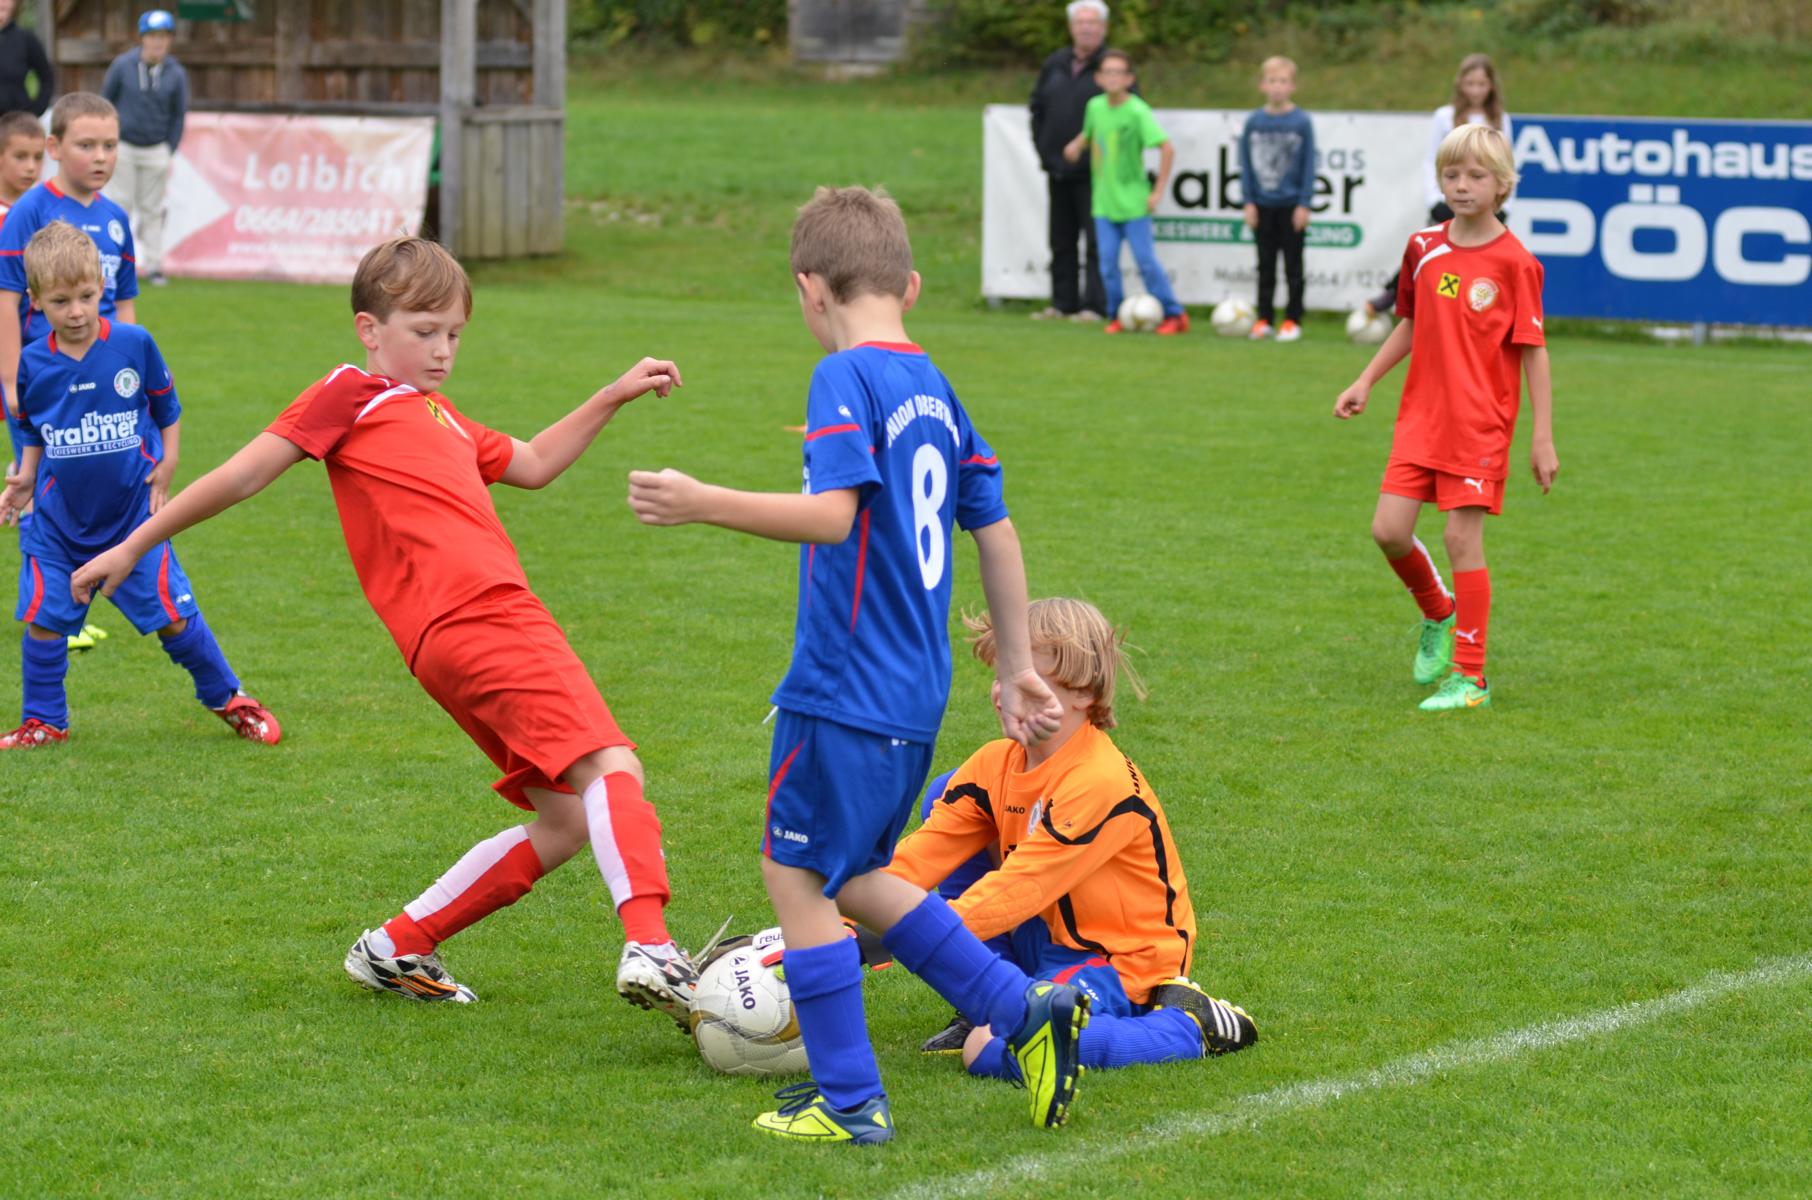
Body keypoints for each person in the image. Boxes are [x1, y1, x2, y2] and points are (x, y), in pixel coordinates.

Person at [70, 236, 699, 1018]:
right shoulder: (351, 393)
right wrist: (133, 545)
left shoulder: (442, 416)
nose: (443, 350)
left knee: (567, 819)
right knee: (611, 766)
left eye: (454, 334)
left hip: (450, 638)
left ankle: (399, 945)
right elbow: (242, 475)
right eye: (425, 331)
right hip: (482, 613)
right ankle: (652, 947)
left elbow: (535, 462)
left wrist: (612, 394)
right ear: (369, 329)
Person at [626, 185, 1085, 1145]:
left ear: (810, 288)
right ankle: (1021, 1007)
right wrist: (1013, 667)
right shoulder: (935, 386)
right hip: (914, 691)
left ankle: (849, 1101)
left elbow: (833, 517)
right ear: (909, 286)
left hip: (842, 689)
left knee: (794, 875)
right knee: (863, 874)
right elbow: (995, 529)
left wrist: (702, 500)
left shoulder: (843, 375)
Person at [888, 598, 1257, 1072]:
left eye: (1025, 677)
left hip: (1118, 961)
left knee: (990, 1049)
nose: (1004, 691)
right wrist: (830, 922)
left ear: (1083, 692)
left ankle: (1188, 1026)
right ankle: (989, 994)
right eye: (1001, 675)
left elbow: (1019, 889)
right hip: (1042, 935)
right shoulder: (994, 764)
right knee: (946, 790)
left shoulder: (1098, 780)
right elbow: (914, 862)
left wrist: (901, 931)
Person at [0, 222, 277, 749]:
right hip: (58, 524)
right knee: (44, 623)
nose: (76, 311)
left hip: (132, 521)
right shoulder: (33, 361)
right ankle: (45, 722)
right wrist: (26, 478)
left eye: (86, 296)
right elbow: (33, 428)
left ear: (101, 287)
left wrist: (168, 462)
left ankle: (229, 698)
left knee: (174, 619)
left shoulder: (133, 344)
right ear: (34, 301)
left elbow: (167, 407)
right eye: (60, 301)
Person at [1334, 125, 1557, 712]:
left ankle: (1471, 678)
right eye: (1451, 175)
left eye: (1475, 176)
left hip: (1480, 424)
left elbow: (1534, 350)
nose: (1461, 186)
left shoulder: (1517, 263)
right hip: (1421, 418)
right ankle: (1438, 611)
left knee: (1461, 538)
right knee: (1388, 531)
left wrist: (1542, 437)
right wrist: (1365, 380)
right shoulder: (1424, 246)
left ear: (1502, 185)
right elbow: (1411, 323)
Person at [2, 97, 135, 653]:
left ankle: (74, 606)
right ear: (55, 148)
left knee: (94, 489)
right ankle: (48, 610)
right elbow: (7, 297)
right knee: (39, 490)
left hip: (104, 381)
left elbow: (124, 305)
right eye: (86, 145)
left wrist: (131, 367)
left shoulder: (117, 219)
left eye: (109, 145)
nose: (100, 156)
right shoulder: (30, 211)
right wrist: (12, 378)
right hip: (47, 384)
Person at [1366, 54, 1511, 317]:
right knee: (1429, 253)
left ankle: (1477, 312)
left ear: (1491, 86)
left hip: (1486, 207)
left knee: (1480, 261)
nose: (1475, 90)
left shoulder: (1500, 120)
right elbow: (1433, 159)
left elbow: (1506, 164)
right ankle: (1396, 295)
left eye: (1481, 84)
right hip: (1447, 204)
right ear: (1460, 84)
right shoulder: (1445, 117)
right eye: (1470, 83)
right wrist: (1435, 199)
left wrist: (1505, 205)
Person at [1062, 50, 1185, 336]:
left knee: (1146, 262)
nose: (1113, 77)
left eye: (1119, 72)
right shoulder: (1095, 107)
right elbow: (1089, 134)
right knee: (1107, 264)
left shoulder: (1137, 111)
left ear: (1129, 79)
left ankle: (1174, 314)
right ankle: (1116, 314)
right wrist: (1076, 145)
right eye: (1108, 72)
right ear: (1098, 78)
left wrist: (1157, 191)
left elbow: (1167, 148)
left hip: (1133, 202)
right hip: (1103, 202)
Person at [1029, 0, 1111, 322]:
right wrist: (1045, 151)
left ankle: (1094, 306)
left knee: (1095, 241)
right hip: (1058, 169)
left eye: (1093, 22)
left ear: (1103, 28)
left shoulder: (1112, 66)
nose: (1086, 28)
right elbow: (1037, 108)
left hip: (1096, 172)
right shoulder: (1055, 63)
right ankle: (1063, 303)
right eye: (1081, 22)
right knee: (1061, 240)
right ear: (1071, 27)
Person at [102, 9, 189, 287]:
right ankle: (113, 263)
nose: (157, 42)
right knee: (120, 207)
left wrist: (168, 148)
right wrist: (110, 142)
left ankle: (154, 266)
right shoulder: (122, 65)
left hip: (156, 150)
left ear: (170, 40)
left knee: (152, 210)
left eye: (163, 36)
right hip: (124, 147)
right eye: (152, 36)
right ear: (142, 38)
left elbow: (178, 115)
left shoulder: (176, 73)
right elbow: (106, 103)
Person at [1239, 56, 1315, 343]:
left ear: (1292, 86)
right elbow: (1245, 164)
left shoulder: (1301, 122)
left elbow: (1309, 165)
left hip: (1291, 205)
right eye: (1272, 81)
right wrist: (1248, 201)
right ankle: (1264, 319)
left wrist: (1304, 203)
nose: (1277, 87)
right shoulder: (1254, 122)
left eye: (1283, 81)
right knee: (1265, 266)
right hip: (1262, 205)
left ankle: (1292, 319)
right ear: (1262, 85)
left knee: (1293, 266)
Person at [0, 0, 53, 119]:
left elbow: (47, 77)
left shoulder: (26, 39)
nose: (2, 3)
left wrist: (35, 112)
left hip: (15, 120)